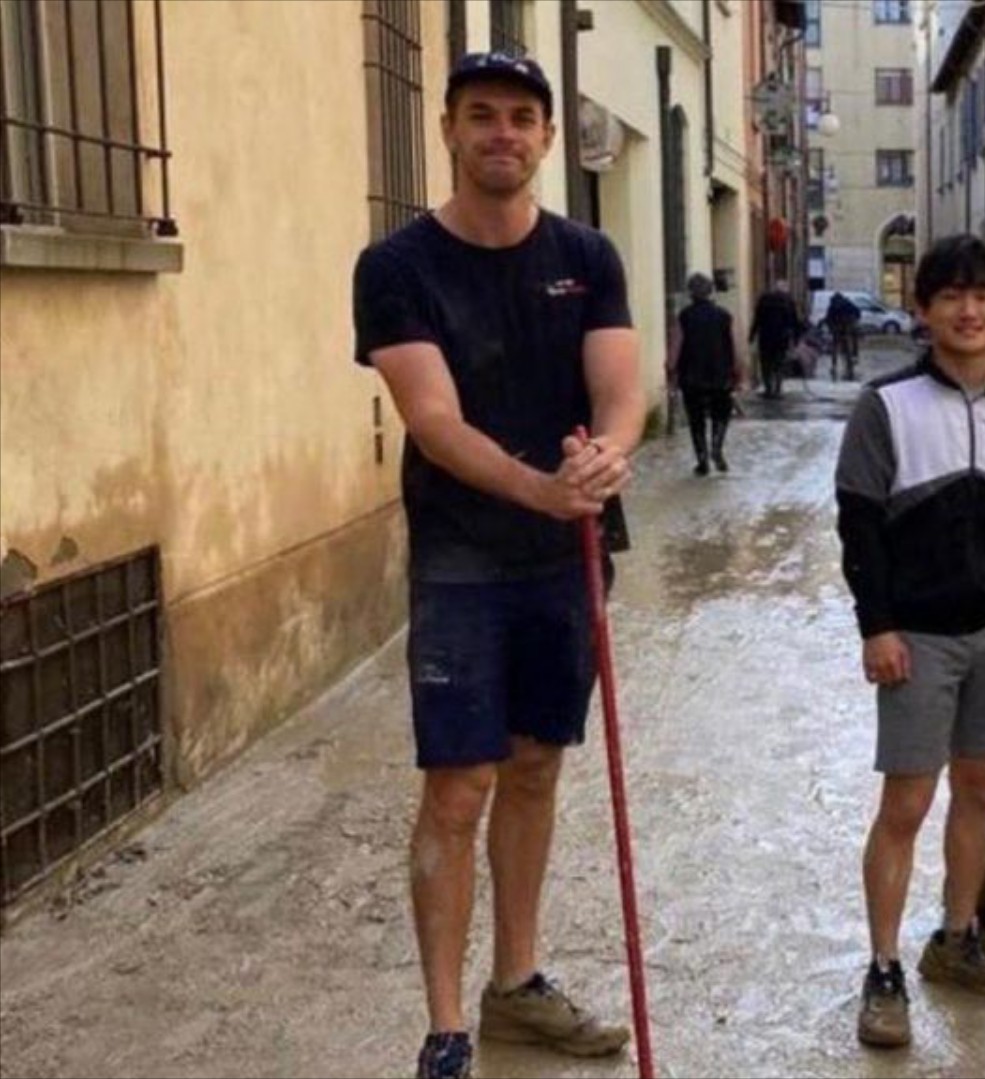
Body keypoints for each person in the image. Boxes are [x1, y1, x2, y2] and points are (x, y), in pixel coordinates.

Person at [352, 52, 643, 1079]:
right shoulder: (397, 268)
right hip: (463, 559)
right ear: (449, 129)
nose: (504, 134)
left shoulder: (588, 255)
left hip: (565, 559)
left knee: (533, 767)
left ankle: (515, 984)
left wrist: (609, 453)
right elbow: (432, 421)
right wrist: (543, 489)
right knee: (459, 786)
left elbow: (619, 385)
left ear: (548, 138)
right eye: (483, 116)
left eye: (523, 118)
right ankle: (444, 1028)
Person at [835, 235, 985, 1050]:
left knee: (978, 790)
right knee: (906, 802)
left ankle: (958, 937)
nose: (969, 310)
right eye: (951, 295)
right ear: (923, 309)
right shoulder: (887, 407)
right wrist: (877, 626)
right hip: (918, 637)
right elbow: (860, 529)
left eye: (984, 296)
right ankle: (882, 969)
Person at [669, 272, 742, 476]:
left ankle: (702, 461)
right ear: (711, 292)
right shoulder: (725, 316)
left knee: (696, 419)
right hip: (720, 375)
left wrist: (671, 371)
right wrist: (737, 372)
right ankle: (717, 447)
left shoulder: (684, 316)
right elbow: (735, 347)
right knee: (721, 414)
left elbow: (675, 347)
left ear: (691, 292)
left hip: (691, 377)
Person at [749, 280, 806, 398]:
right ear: (785, 290)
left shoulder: (764, 299)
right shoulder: (789, 301)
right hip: (781, 338)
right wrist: (796, 339)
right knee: (779, 363)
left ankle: (768, 389)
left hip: (765, 336)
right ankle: (777, 389)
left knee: (765, 363)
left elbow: (757, 318)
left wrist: (751, 335)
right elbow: (794, 321)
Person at [826, 290, 862, 381]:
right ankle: (853, 357)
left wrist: (831, 328)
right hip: (848, 327)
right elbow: (858, 312)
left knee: (835, 347)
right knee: (852, 342)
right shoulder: (847, 303)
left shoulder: (832, 306)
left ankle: (834, 365)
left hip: (837, 328)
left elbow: (828, 318)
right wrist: (854, 321)